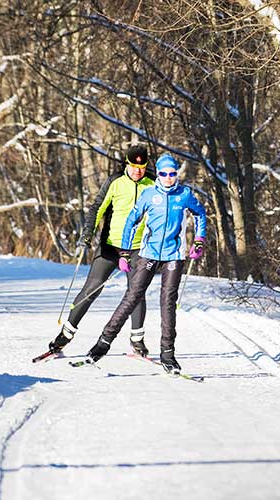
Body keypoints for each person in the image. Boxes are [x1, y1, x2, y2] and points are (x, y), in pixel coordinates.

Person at [85, 153, 207, 374]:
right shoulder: (149, 194)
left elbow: (200, 214)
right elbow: (131, 221)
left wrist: (199, 240)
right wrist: (123, 253)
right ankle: (103, 343)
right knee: (132, 296)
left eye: (172, 173)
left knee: (168, 302)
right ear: (158, 174)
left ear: (176, 174)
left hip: (174, 255)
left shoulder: (185, 195)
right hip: (149, 252)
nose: (168, 177)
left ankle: (168, 355)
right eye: (163, 173)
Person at [48, 144, 155, 356]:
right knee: (92, 289)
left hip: (138, 249)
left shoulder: (152, 184)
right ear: (127, 163)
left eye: (142, 167)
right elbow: (97, 208)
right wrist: (87, 234)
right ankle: (65, 335)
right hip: (110, 247)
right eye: (134, 166)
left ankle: (137, 341)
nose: (138, 171)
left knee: (136, 293)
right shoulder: (115, 182)